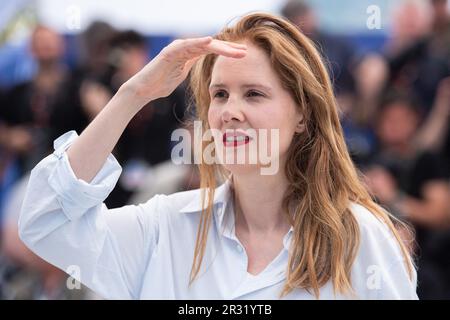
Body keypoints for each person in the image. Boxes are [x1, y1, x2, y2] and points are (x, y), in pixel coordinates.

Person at [18, 13, 417, 299]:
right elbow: (46, 221)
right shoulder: (164, 228)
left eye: (254, 94)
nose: (229, 112)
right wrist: (133, 94)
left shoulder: (359, 237)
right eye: (220, 94)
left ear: (302, 114)